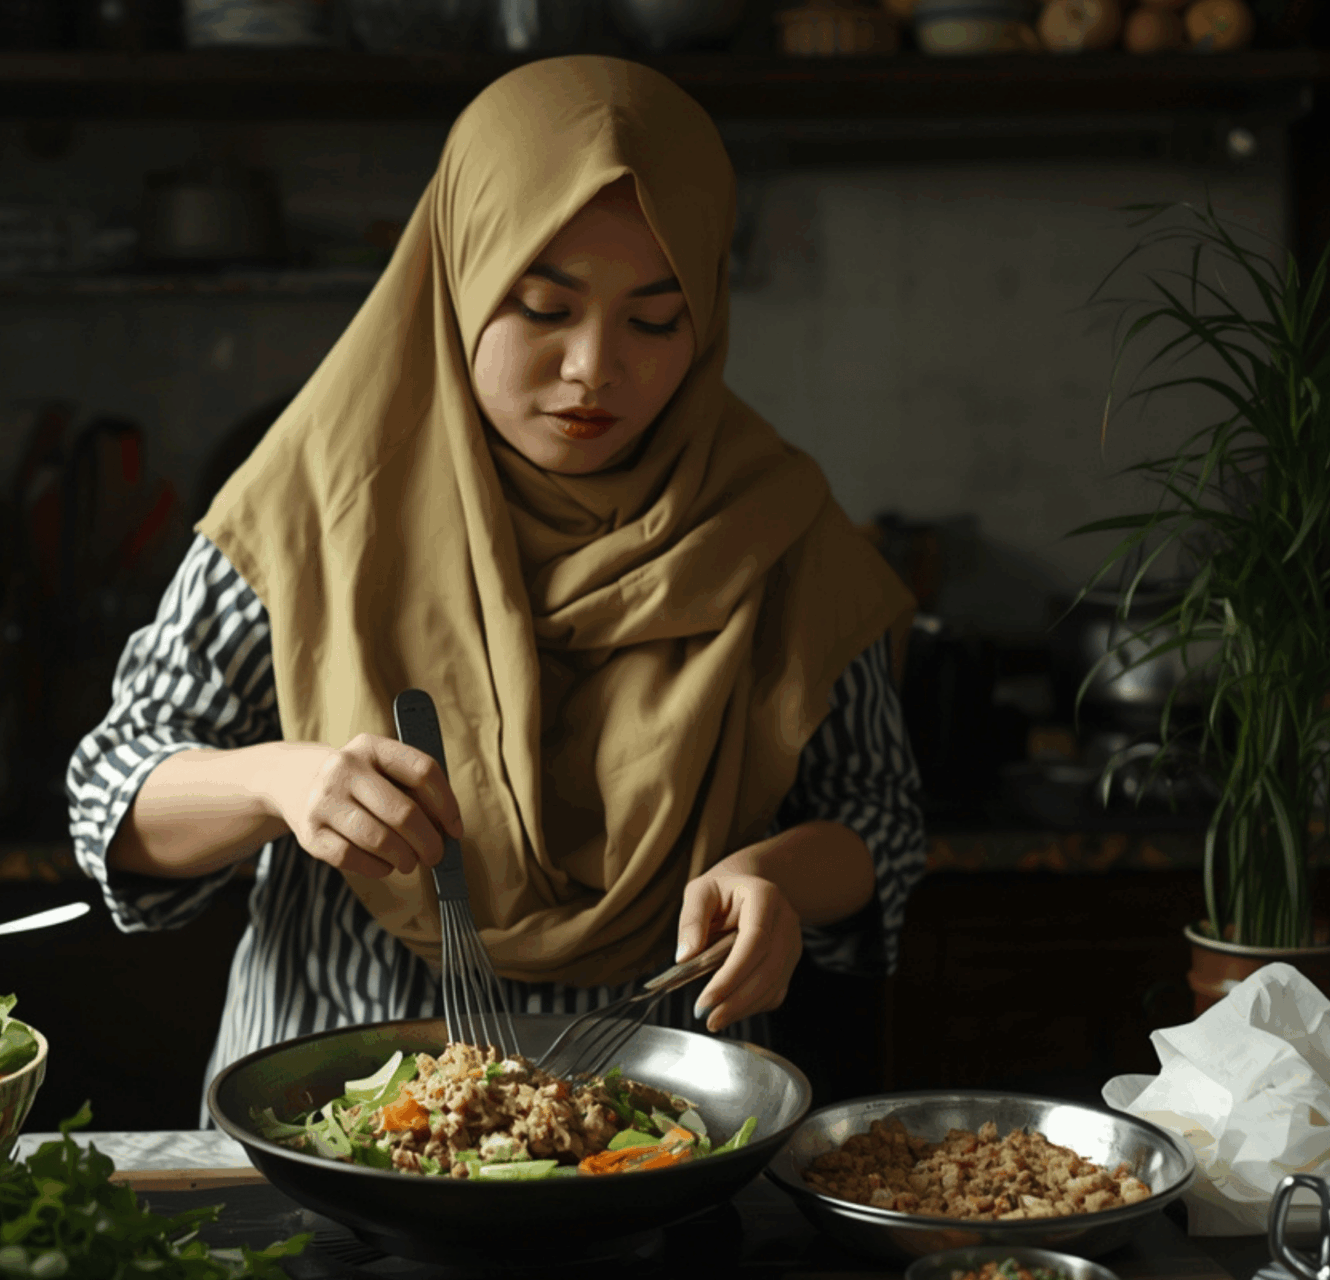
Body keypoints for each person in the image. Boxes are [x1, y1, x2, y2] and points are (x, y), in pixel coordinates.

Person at [65, 55, 925, 1121]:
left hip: (657, 1132)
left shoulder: (778, 524)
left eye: (655, 320)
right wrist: (283, 782)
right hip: (327, 1129)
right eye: (541, 306)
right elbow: (113, 790)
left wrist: (777, 878)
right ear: (457, 273)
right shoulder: (316, 500)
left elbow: (877, 816)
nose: (592, 368)